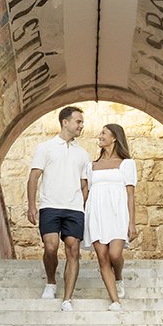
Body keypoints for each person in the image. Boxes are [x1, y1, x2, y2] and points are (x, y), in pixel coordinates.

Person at [26, 105, 90, 310]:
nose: (82, 125)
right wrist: (31, 206)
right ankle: (51, 282)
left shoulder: (83, 153)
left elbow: (84, 184)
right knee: (51, 247)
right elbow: (34, 176)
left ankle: (67, 298)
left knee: (73, 250)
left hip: (74, 209)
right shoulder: (45, 147)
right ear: (65, 122)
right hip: (50, 206)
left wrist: (83, 204)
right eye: (78, 121)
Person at [83, 122, 138, 310]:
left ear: (115, 137)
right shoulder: (91, 166)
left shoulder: (127, 164)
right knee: (102, 257)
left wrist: (132, 223)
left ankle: (119, 278)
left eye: (104, 133)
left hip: (117, 213)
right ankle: (115, 301)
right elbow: (86, 192)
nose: (100, 135)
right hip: (96, 213)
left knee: (115, 254)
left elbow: (130, 195)